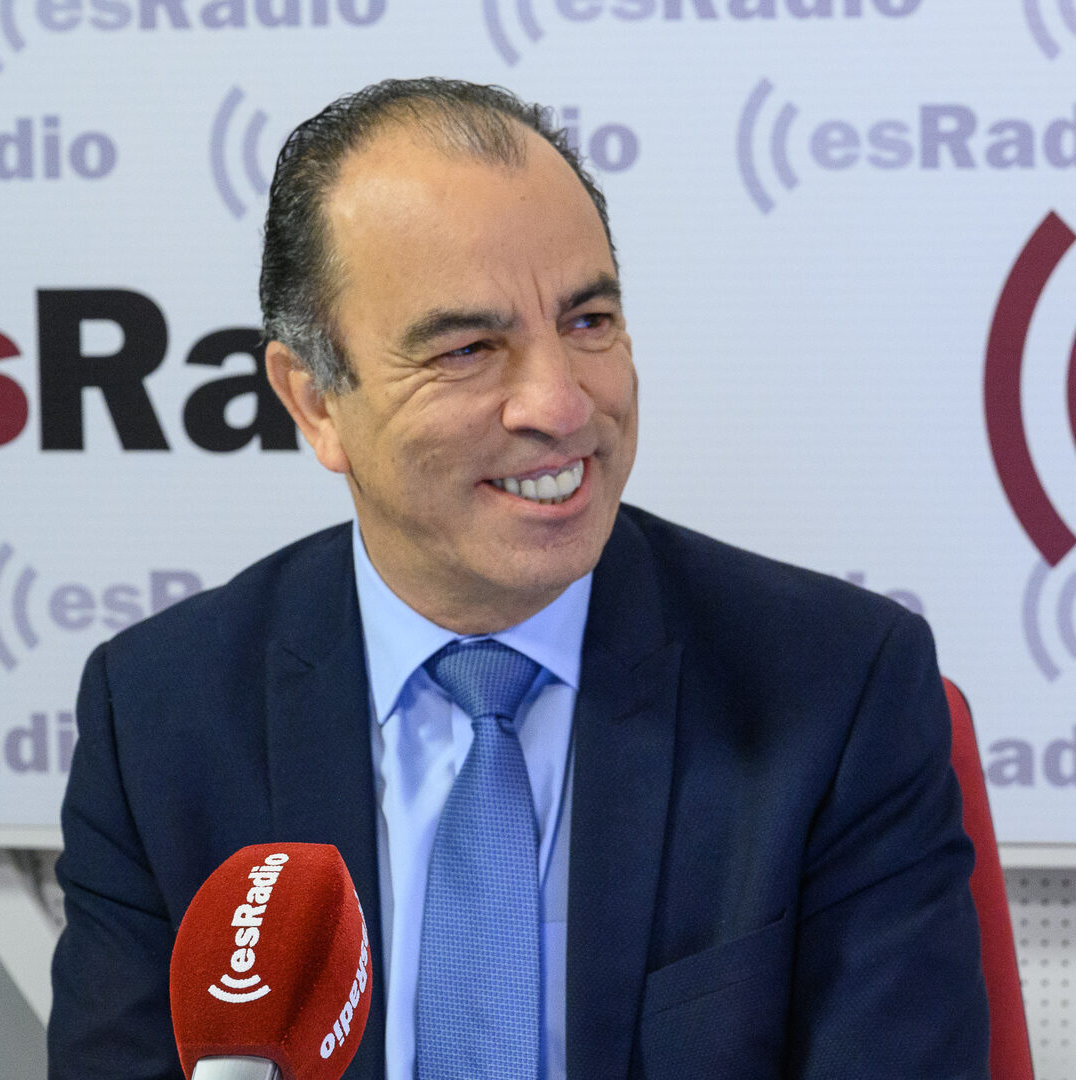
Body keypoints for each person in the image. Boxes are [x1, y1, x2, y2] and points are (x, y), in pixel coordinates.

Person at [48, 78, 988, 1080]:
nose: (560, 404)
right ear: (314, 401)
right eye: (468, 349)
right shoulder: (162, 717)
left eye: (588, 322)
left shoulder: (834, 692)